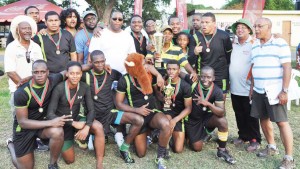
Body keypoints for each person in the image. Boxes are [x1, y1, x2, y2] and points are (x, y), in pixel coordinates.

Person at [6, 60, 72, 169]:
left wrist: (95, 65)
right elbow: (23, 122)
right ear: (32, 73)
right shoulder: (21, 92)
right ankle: (11, 146)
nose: (39, 75)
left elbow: (70, 70)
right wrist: (51, 122)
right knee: (25, 167)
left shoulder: (53, 79)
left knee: (58, 131)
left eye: (42, 72)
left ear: (48, 72)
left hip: (42, 124)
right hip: (24, 129)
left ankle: (53, 164)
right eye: (36, 72)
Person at [82, 50, 144, 163]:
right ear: (91, 62)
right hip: (94, 116)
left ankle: (124, 148)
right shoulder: (85, 75)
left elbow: (126, 79)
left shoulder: (112, 73)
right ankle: (93, 135)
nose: (100, 65)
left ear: (105, 61)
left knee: (138, 120)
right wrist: (90, 66)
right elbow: (70, 70)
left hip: (111, 113)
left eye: (102, 61)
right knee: (96, 151)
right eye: (96, 62)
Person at [250, 18, 295, 169]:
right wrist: (252, 89)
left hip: (274, 90)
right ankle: (271, 147)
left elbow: (287, 67)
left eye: (259, 26)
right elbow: (254, 67)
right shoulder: (255, 45)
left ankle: (289, 158)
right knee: (263, 119)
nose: (256, 29)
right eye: (255, 26)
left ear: (269, 27)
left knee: (282, 122)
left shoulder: (279, 43)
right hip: (258, 90)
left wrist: (285, 90)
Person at [116, 53, 171, 169]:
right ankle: (148, 134)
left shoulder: (149, 73)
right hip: (138, 117)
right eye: (142, 64)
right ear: (134, 67)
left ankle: (160, 156)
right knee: (141, 154)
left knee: (166, 124)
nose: (145, 66)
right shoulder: (124, 80)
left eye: (144, 63)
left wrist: (159, 78)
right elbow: (119, 104)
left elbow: (156, 91)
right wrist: (137, 110)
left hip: (152, 112)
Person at [47, 61, 105, 169]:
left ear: (81, 74)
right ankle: (73, 137)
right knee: (70, 160)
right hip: (63, 123)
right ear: (67, 74)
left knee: (98, 126)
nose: (75, 76)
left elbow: (91, 110)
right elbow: (50, 114)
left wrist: (87, 127)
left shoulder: (84, 87)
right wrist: (73, 123)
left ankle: (100, 162)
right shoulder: (59, 88)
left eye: (78, 73)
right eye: (72, 73)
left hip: (78, 118)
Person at [184, 66, 236, 164]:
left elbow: (221, 112)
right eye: (203, 76)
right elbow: (180, 73)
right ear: (199, 76)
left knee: (222, 121)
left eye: (208, 77)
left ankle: (222, 150)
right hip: (193, 119)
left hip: (206, 117)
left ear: (213, 78)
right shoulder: (193, 82)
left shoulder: (217, 90)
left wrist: (207, 103)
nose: (205, 79)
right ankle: (195, 135)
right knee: (197, 148)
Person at [229, 18, 261, 151]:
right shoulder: (234, 44)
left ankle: (255, 139)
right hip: (235, 87)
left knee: (251, 115)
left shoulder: (254, 44)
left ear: (249, 30)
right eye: (238, 27)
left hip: (248, 88)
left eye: (243, 27)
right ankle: (243, 136)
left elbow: (255, 66)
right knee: (239, 113)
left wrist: (252, 87)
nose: (240, 29)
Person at [188, 12, 232, 97]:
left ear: (214, 23)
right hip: (204, 76)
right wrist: (195, 53)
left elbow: (229, 57)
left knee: (220, 104)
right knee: (203, 103)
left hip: (220, 75)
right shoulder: (195, 37)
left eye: (207, 22)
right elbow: (190, 60)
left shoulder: (224, 36)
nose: (204, 25)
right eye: (202, 22)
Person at [157, 60, 192, 153]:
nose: (171, 71)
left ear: (179, 70)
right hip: (166, 111)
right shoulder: (163, 82)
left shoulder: (185, 86)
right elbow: (157, 95)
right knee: (167, 120)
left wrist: (175, 120)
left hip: (179, 115)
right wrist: (162, 98)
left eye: (174, 69)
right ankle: (165, 144)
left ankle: (170, 136)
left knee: (178, 150)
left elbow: (189, 108)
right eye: (168, 69)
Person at [88, 9, 136, 75]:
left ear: (122, 21)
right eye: (114, 19)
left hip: (123, 76)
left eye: (120, 19)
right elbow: (90, 58)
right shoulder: (99, 34)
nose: (117, 21)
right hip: (103, 75)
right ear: (110, 19)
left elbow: (132, 57)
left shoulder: (128, 37)